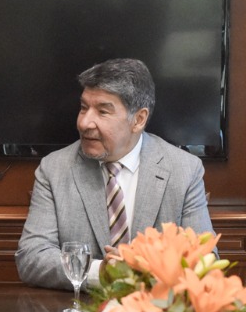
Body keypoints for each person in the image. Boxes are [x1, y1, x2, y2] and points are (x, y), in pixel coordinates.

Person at [16, 58, 213, 289]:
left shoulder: (184, 170)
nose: (85, 122)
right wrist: (100, 271)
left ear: (138, 119)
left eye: (102, 111)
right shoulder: (54, 169)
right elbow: (31, 257)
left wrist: (143, 269)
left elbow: (206, 260)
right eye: (83, 108)